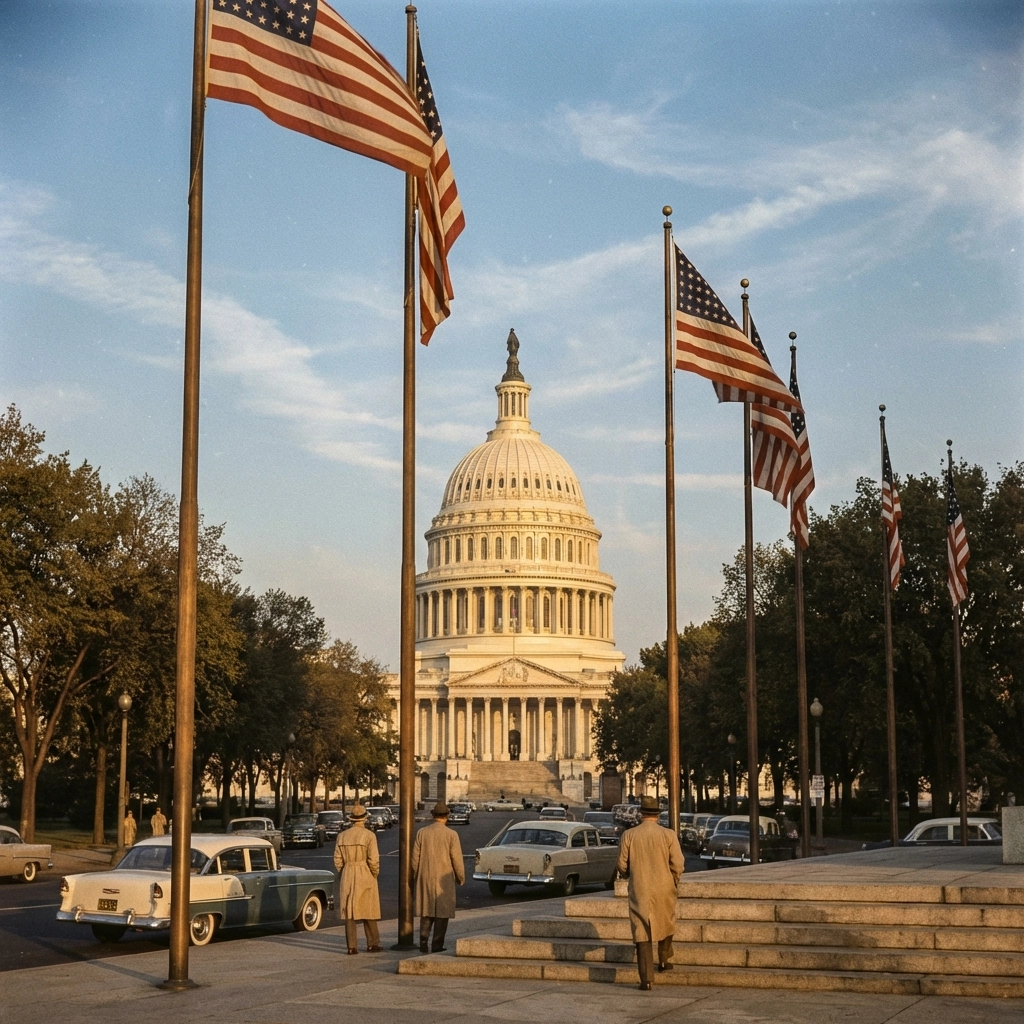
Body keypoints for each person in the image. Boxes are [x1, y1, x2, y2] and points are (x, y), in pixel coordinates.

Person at [615, 794, 684, 991]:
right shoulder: (668, 834)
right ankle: (664, 958)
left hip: (640, 886)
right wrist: (674, 878)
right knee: (666, 920)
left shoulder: (629, 835)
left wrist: (629, 873)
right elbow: (678, 864)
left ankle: (646, 979)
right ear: (657, 815)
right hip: (664, 885)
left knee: (642, 931)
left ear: (641, 814)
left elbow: (621, 863)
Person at [412, 801, 465, 953]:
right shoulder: (451, 835)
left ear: (433, 816)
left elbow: (415, 858)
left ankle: (423, 941)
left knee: (426, 911)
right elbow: (456, 859)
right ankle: (437, 945)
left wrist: (417, 874)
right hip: (444, 878)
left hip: (425, 877)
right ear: (447, 816)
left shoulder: (422, 832)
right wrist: (460, 877)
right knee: (442, 913)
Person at [333, 803, 382, 955]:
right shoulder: (369, 835)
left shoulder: (342, 836)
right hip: (364, 870)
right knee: (368, 908)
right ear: (364, 819)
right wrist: (374, 873)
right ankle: (372, 943)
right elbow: (373, 859)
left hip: (348, 871)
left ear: (351, 820)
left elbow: (337, 859)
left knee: (349, 911)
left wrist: (344, 869)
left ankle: (351, 946)